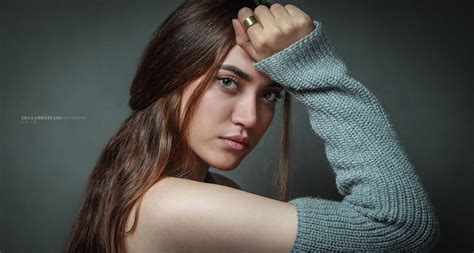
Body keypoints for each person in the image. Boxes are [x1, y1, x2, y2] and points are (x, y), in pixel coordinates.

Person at [64, 0, 440, 252]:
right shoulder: (170, 205)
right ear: (169, 77)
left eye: (270, 95)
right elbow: (400, 229)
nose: (250, 117)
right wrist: (315, 71)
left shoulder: (204, 190)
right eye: (228, 81)